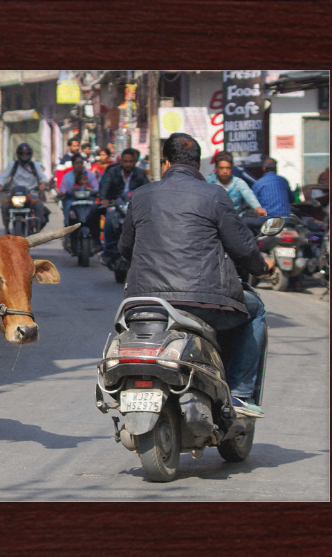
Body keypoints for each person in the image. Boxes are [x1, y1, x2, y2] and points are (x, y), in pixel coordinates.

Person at [117, 132, 276, 417]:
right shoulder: (215, 195)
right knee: (256, 309)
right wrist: (263, 267)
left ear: (165, 163)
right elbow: (242, 247)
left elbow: (125, 247)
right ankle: (239, 394)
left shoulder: (140, 196)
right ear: (199, 165)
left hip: (143, 304)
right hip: (203, 304)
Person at [98, 148, 149, 262]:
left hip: (134, 207)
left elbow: (147, 189)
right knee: (109, 220)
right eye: (125, 161)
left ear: (135, 162)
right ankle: (108, 250)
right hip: (116, 206)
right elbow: (105, 186)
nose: (128, 164)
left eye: (131, 161)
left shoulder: (140, 173)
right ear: (121, 161)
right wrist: (104, 199)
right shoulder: (113, 172)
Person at [0, 142, 49, 234]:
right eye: (22, 154)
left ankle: (37, 227)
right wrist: (0, 185)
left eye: (26, 154)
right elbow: (3, 176)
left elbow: (42, 176)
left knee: (39, 206)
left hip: (31, 193)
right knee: (4, 206)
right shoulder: (13, 165)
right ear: (19, 154)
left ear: (30, 154)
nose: (24, 156)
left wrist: (43, 184)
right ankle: (7, 227)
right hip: (14, 194)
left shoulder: (35, 165)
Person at [206, 151, 266, 216]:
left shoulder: (238, 183)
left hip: (234, 219)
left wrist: (257, 208)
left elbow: (248, 195)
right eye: (221, 168)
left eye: (228, 168)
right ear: (216, 168)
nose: (225, 171)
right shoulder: (207, 182)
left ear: (232, 168)